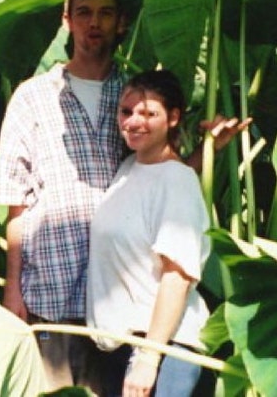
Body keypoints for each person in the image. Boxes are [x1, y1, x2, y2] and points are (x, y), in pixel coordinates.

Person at [0, 0, 248, 392]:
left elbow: (166, 176)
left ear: (121, 24)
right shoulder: (33, 96)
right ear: (67, 21)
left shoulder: (132, 94)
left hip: (119, 303)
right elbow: (15, 203)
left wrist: (210, 151)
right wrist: (12, 289)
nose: (94, 23)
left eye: (105, 13)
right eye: (84, 13)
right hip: (51, 289)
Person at [87, 70, 210, 397]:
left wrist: (148, 359)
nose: (133, 122)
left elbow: (177, 277)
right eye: (126, 112)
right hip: (126, 345)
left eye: (148, 113)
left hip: (160, 349)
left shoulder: (178, 182)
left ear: (173, 118)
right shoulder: (131, 168)